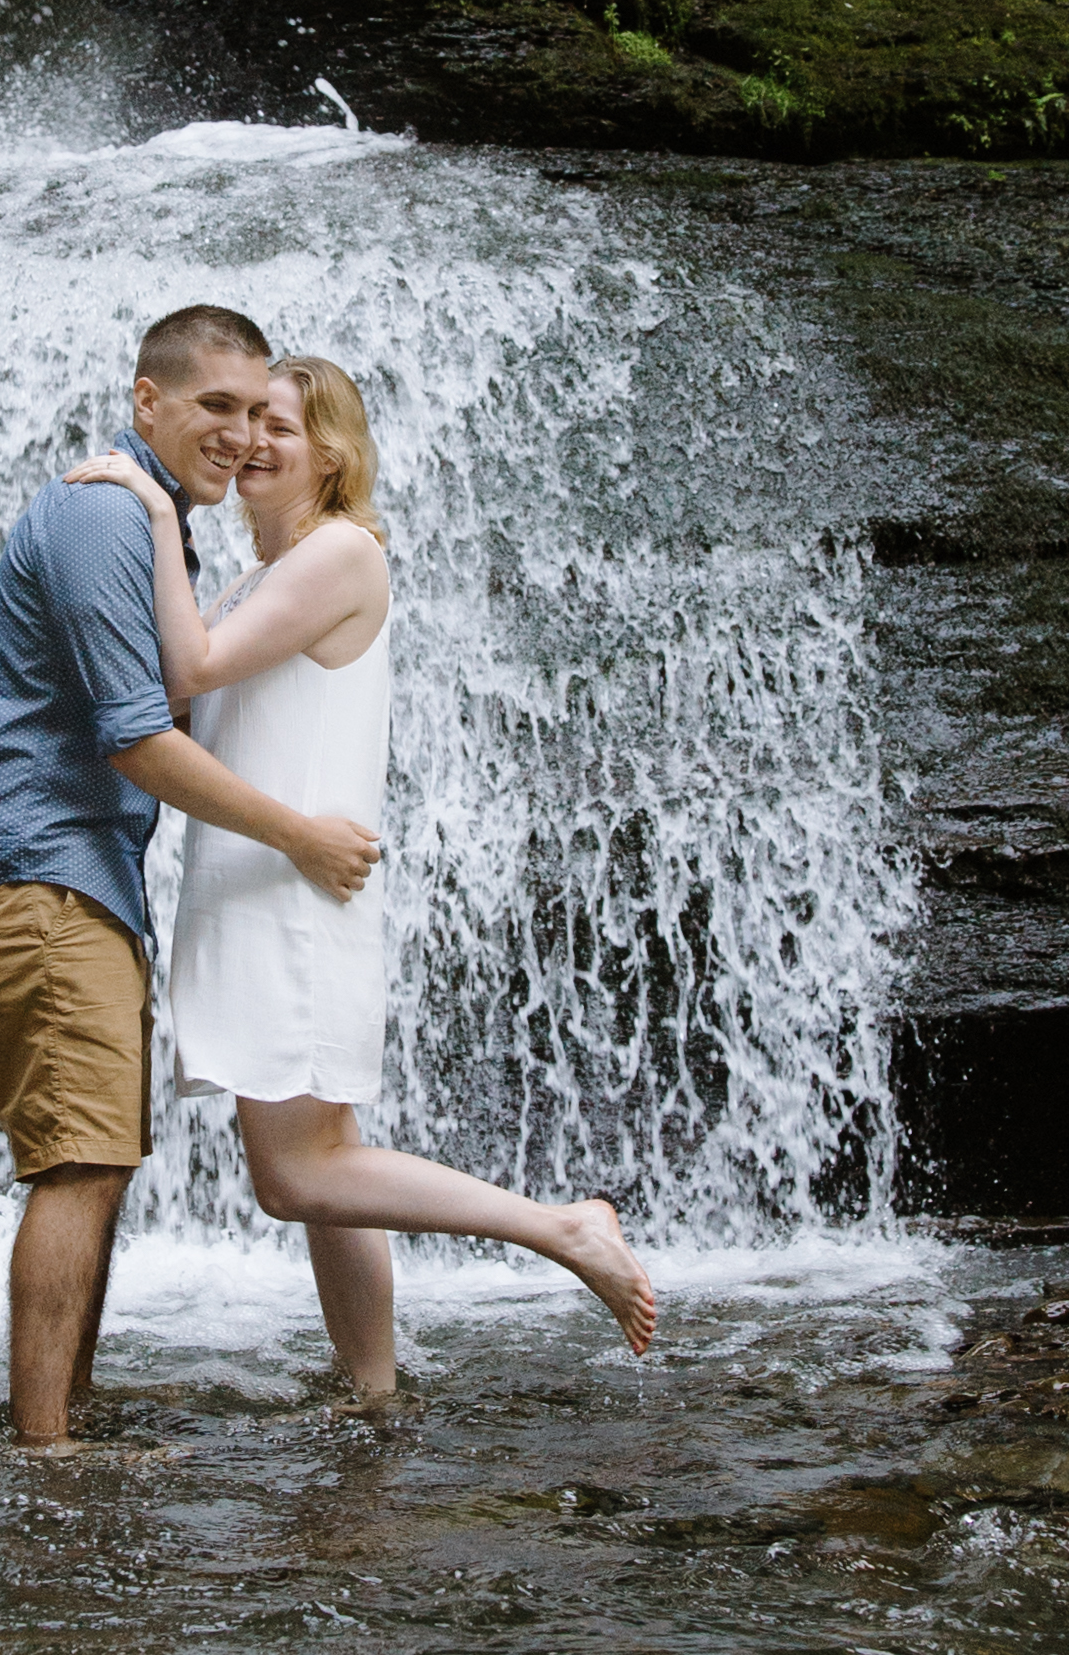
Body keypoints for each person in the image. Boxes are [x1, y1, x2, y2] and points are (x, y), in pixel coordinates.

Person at [64, 354, 658, 1392]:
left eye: (279, 426)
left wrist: (157, 511)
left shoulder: (341, 554)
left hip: (291, 895)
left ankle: (561, 1227)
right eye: (244, 420)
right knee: (328, 1161)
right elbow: (193, 698)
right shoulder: (268, 574)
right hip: (265, 884)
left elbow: (189, 668)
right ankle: (372, 1384)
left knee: (299, 1175)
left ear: (332, 454)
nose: (253, 440)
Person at [0, 303, 383, 1447]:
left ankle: (62, 1409)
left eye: (253, 412)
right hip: (42, 867)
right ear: (148, 402)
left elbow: (192, 675)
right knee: (82, 1158)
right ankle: (47, 1450)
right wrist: (298, 834)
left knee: (100, 1156)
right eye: (215, 408)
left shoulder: (157, 528)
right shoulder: (103, 518)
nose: (235, 433)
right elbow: (139, 736)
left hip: (82, 876)